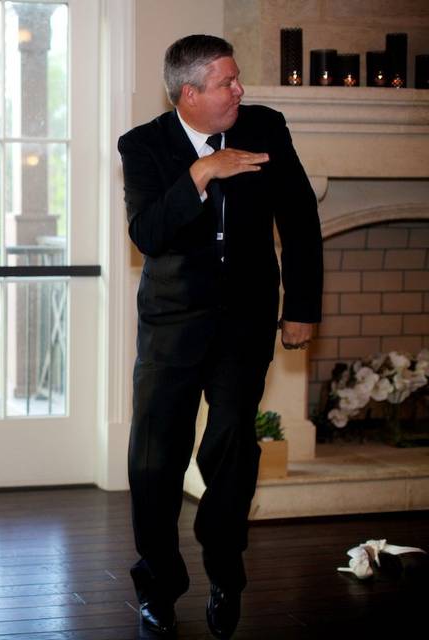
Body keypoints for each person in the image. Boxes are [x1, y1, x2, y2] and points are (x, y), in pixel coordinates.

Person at [117, 35, 322, 638]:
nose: (240, 91)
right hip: (172, 321)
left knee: (233, 445)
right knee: (155, 459)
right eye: (227, 83)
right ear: (190, 93)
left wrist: (302, 306)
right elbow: (149, 233)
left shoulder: (266, 127)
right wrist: (200, 173)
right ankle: (158, 585)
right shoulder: (145, 146)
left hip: (245, 319)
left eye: (237, 80)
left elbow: (301, 219)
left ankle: (226, 570)